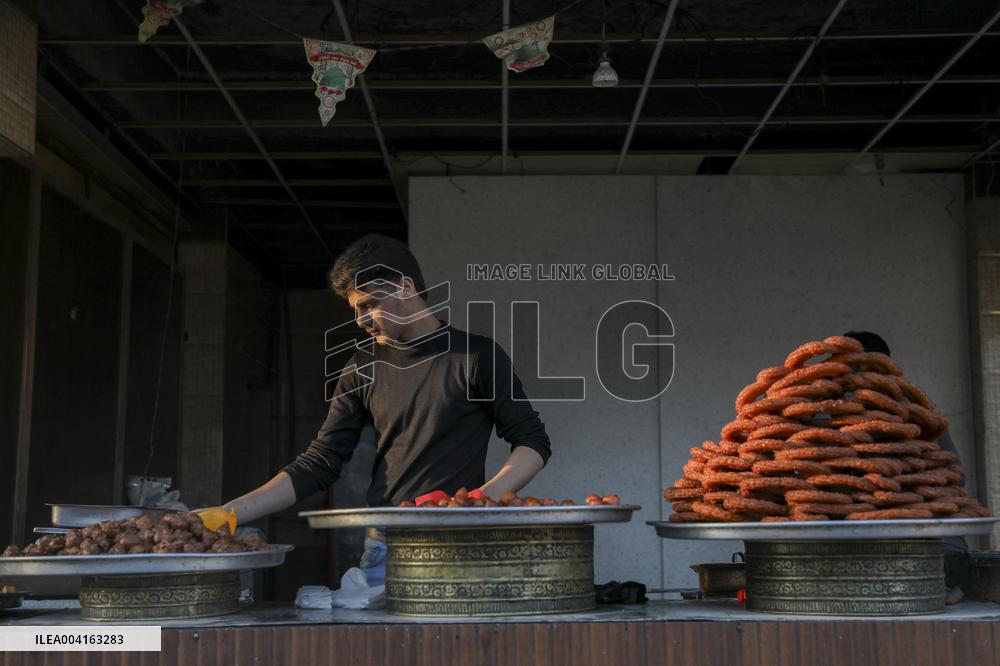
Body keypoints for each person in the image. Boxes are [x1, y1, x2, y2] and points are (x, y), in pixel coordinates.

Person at [209, 234, 552, 586]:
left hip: (459, 541)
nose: (360, 320)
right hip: (383, 546)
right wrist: (226, 514)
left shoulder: (475, 356)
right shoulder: (361, 368)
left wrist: (476, 502)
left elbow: (533, 443)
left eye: (369, 304)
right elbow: (319, 463)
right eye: (356, 309)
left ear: (404, 287)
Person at [844, 330, 973, 601]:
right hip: (936, 556)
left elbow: (954, 478)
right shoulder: (829, 418)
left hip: (929, 557)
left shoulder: (914, 414)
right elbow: (959, 476)